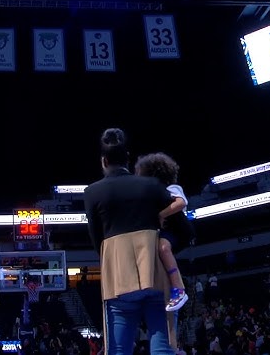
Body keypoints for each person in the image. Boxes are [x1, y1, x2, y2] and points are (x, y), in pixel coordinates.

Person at [83, 127, 176, 355]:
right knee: (162, 346)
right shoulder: (152, 185)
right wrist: (160, 247)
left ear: (103, 160)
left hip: (119, 280)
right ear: (128, 157)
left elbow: (98, 242)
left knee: (119, 351)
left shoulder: (92, 193)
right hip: (155, 274)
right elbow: (182, 228)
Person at [134, 152, 196, 312]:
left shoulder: (171, 188)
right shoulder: (148, 195)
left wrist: (161, 214)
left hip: (179, 230)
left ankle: (179, 290)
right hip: (164, 231)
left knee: (163, 248)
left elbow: (181, 203)